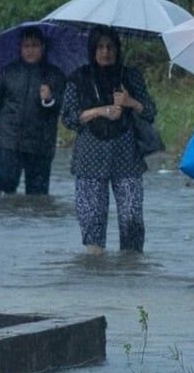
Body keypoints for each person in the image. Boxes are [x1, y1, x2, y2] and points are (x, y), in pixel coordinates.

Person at [59, 27, 157, 252]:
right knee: (92, 220)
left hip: (126, 155)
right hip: (90, 157)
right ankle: (96, 267)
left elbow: (150, 111)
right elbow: (69, 118)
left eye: (110, 47)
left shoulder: (130, 76)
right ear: (92, 50)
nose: (105, 52)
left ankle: (131, 266)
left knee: (132, 217)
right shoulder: (79, 77)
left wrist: (130, 102)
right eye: (100, 47)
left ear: (117, 49)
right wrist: (100, 111)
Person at [0, 29, 68, 195]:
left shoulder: (55, 75)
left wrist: (49, 99)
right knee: (4, 191)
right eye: (26, 46)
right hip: (10, 141)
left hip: (41, 143)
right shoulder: (8, 72)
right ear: (20, 48)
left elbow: (64, 106)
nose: (30, 50)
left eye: (34, 46)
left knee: (38, 196)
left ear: (43, 47)